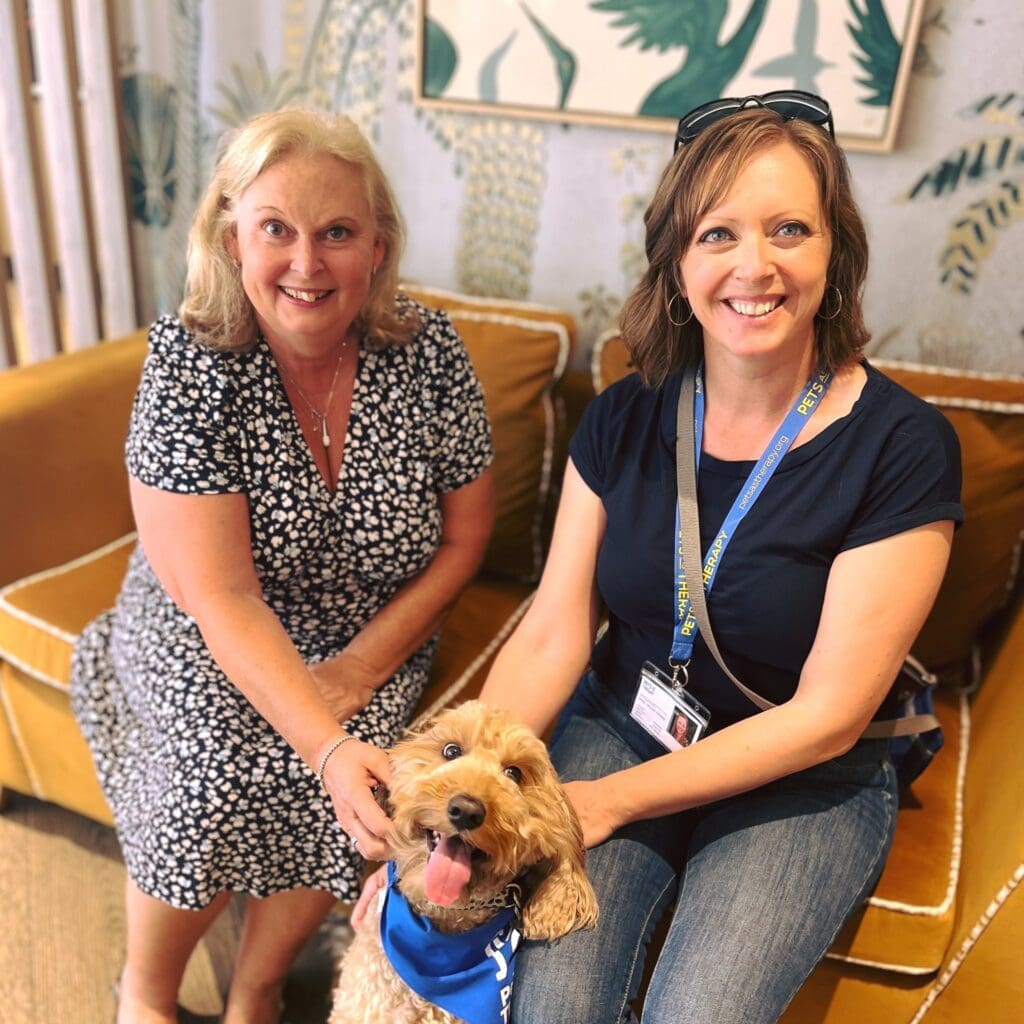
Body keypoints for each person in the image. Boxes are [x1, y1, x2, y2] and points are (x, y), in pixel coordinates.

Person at [354, 92, 962, 1022]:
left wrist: (610, 803)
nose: (753, 266)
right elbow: (554, 632)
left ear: (834, 252)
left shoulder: (904, 446)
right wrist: (451, 806)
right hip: (621, 720)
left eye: (789, 228)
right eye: (717, 234)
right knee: (553, 1007)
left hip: (804, 773)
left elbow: (830, 716)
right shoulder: (625, 414)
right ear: (678, 263)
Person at [70, 107, 495, 1024]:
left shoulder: (431, 356)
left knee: (370, 789)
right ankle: (142, 992)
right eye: (277, 230)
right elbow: (220, 595)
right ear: (232, 236)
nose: (307, 263)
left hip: (372, 633)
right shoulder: (191, 361)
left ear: (377, 247)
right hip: (203, 626)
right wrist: (325, 739)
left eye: (337, 232)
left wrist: (357, 673)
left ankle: (256, 988)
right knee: (210, 766)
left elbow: (466, 542)